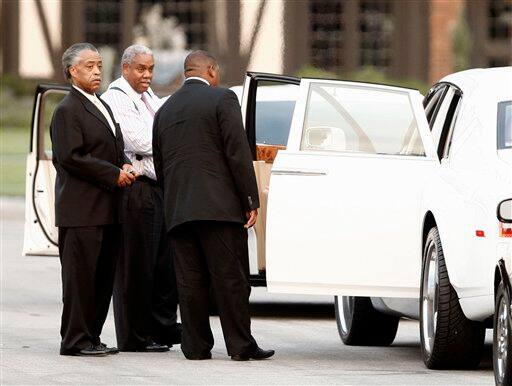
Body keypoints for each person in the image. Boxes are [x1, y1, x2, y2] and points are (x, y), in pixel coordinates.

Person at [153, 50, 275, 361]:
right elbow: (237, 152)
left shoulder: (164, 110)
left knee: (189, 280)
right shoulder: (223, 100)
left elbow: (160, 163)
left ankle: (195, 346)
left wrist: (172, 203)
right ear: (211, 70)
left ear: (185, 73)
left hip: (179, 209)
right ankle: (240, 345)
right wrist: (251, 200)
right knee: (230, 279)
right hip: (219, 209)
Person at [51, 42, 136, 356]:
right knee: (80, 280)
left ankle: (92, 336)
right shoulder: (67, 110)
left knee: (101, 280)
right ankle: (75, 339)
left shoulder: (102, 104)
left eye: (99, 64)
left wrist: (123, 163)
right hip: (82, 212)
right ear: (73, 71)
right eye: (89, 65)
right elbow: (71, 157)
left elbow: (110, 147)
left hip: (108, 210)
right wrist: (112, 173)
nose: (97, 70)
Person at [101, 45, 181, 352]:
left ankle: (160, 330)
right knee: (135, 267)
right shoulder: (117, 98)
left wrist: (160, 143)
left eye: (150, 68)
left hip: (159, 189)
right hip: (137, 191)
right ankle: (134, 337)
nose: (147, 75)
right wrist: (164, 142)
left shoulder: (149, 98)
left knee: (163, 265)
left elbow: (157, 138)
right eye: (140, 69)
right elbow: (140, 140)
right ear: (125, 68)